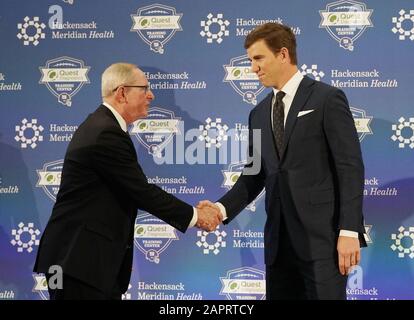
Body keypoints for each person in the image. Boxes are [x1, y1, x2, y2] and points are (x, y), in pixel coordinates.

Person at [198, 23, 367, 300]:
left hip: (323, 243)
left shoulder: (326, 98)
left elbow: (350, 167)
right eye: (251, 60)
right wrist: (219, 209)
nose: (253, 68)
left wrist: (349, 231)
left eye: (258, 58)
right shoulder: (258, 113)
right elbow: (253, 175)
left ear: (283, 54)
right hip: (278, 248)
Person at [33, 63, 221, 300]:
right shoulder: (105, 133)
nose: (151, 95)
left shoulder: (104, 126)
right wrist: (196, 216)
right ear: (122, 93)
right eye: (144, 88)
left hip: (84, 262)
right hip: (78, 262)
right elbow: (141, 191)